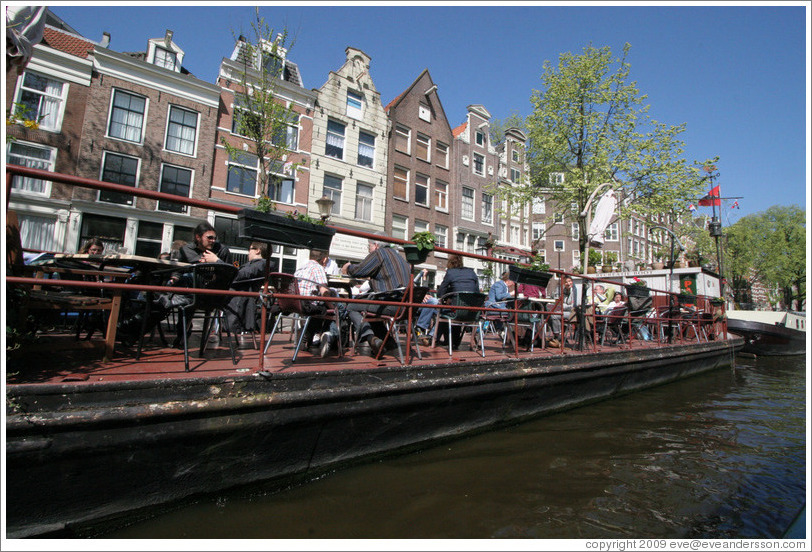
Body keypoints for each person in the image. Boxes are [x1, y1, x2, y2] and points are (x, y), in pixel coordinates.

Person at [340, 235, 411, 356]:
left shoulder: (379, 254)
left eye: (369, 246)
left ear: (376, 245)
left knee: (352, 306)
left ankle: (370, 338)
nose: (368, 249)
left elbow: (360, 270)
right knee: (370, 308)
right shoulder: (399, 257)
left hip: (391, 304)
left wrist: (348, 268)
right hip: (406, 307)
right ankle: (388, 342)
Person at [224, 242, 273, 334]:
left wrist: (218, 261)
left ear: (258, 251)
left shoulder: (261, 264)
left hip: (236, 298)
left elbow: (239, 275)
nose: (248, 252)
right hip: (237, 298)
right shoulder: (257, 265)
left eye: (250, 249)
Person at [432, 254, 480, 348]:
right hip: (472, 313)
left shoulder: (450, 273)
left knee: (442, 312)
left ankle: (434, 339)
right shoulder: (472, 273)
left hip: (457, 311)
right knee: (455, 312)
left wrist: (449, 296)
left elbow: (440, 293)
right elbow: (477, 292)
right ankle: (452, 341)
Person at [549, 275, 580, 348]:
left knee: (553, 315)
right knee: (548, 315)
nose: (568, 283)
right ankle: (559, 334)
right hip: (567, 311)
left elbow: (575, 305)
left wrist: (564, 306)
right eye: (566, 282)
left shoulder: (575, 290)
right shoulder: (565, 291)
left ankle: (558, 336)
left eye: (569, 281)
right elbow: (563, 302)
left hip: (574, 312)